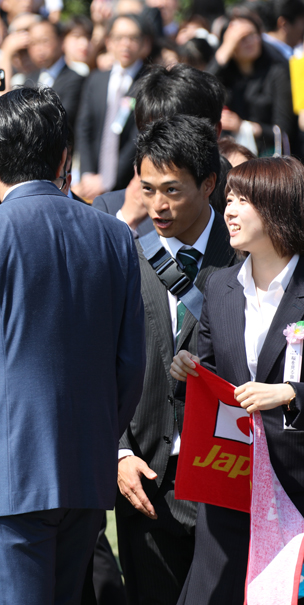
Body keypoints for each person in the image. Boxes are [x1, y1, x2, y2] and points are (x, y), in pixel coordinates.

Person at [0, 86, 145, 605]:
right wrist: (97, 437)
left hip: (7, 473)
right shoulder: (114, 235)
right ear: (64, 158)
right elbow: (131, 364)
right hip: (85, 471)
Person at [171, 156, 304, 604]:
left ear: (280, 206)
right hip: (230, 479)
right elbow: (211, 375)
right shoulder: (220, 287)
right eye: (227, 198)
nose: (228, 210)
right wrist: (189, 368)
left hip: (295, 487)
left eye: (243, 199)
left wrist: (290, 393)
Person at [116, 113, 236, 605]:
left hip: (227, 474)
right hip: (145, 478)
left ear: (209, 183)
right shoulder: (125, 256)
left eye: (172, 190)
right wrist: (119, 453)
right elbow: (103, 364)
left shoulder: (243, 259)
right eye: (148, 190)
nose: (158, 207)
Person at [92, 62, 224, 238]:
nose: (162, 148)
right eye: (150, 134)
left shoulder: (244, 202)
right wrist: (127, 222)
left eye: (174, 136)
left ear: (215, 132)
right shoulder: (110, 209)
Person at [75, 13, 150, 199]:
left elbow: (140, 135)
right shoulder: (96, 79)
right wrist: (88, 174)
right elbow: (84, 128)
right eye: (119, 38)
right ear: (108, 42)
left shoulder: (150, 82)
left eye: (133, 38)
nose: (126, 44)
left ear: (142, 43)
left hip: (129, 184)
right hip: (91, 182)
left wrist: (109, 179)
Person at [207, 7, 296, 156]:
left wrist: (244, 126)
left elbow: (284, 131)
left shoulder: (276, 71)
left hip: (268, 159)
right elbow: (200, 88)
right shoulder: (224, 76)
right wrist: (225, 51)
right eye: (240, 38)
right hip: (230, 157)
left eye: (252, 35)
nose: (249, 42)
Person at [25, 17, 86, 127]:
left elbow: (65, 116)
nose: (39, 49)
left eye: (45, 41)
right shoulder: (29, 79)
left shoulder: (75, 79)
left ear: (60, 40)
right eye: (33, 43)